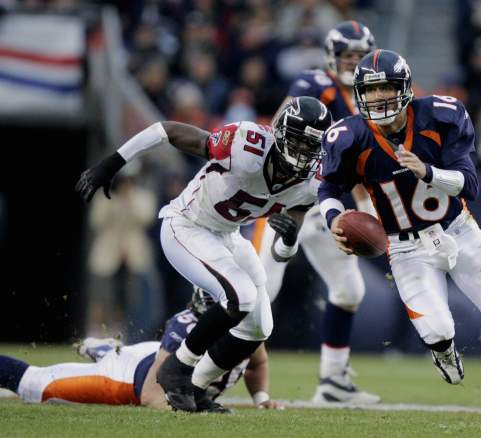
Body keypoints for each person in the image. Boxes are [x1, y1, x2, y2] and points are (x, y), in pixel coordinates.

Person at [317, 49, 481, 429]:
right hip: (406, 248)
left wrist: (428, 171)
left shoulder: (440, 116)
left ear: (405, 88)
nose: (378, 97)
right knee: (439, 330)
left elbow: (470, 184)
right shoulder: (350, 137)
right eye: (371, 90)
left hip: (458, 231)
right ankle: (443, 351)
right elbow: (328, 186)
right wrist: (333, 219)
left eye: (386, 88)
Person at [76, 96, 332, 412]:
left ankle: (196, 387)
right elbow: (166, 130)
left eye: (313, 145)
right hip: (187, 225)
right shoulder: (245, 145)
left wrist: (290, 240)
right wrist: (114, 162)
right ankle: (176, 369)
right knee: (241, 296)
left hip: (227, 235)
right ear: (281, 133)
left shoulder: (310, 182)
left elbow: (282, 253)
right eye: (299, 140)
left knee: (258, 327)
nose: (305, 152)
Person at [253, 21, 379, 404]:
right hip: (291, 196)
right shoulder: (313, 85)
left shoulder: (371, 95)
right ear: (332, 56)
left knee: (350, 288)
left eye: (360, 56)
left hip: (327, 200)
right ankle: (211, 365)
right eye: (347, 56)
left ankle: (333, 382)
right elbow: (281, 127)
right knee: (260, 289)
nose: (353, 62)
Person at [0, 288, 282, 411]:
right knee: (34, 385)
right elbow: (151, 396)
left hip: (152, 355)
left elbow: (257, 363)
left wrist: (261, 397)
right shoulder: (186, 327)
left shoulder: (247, 328)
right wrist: (197, 410)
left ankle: (107, 348)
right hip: (127, 378)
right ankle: (109, 355)